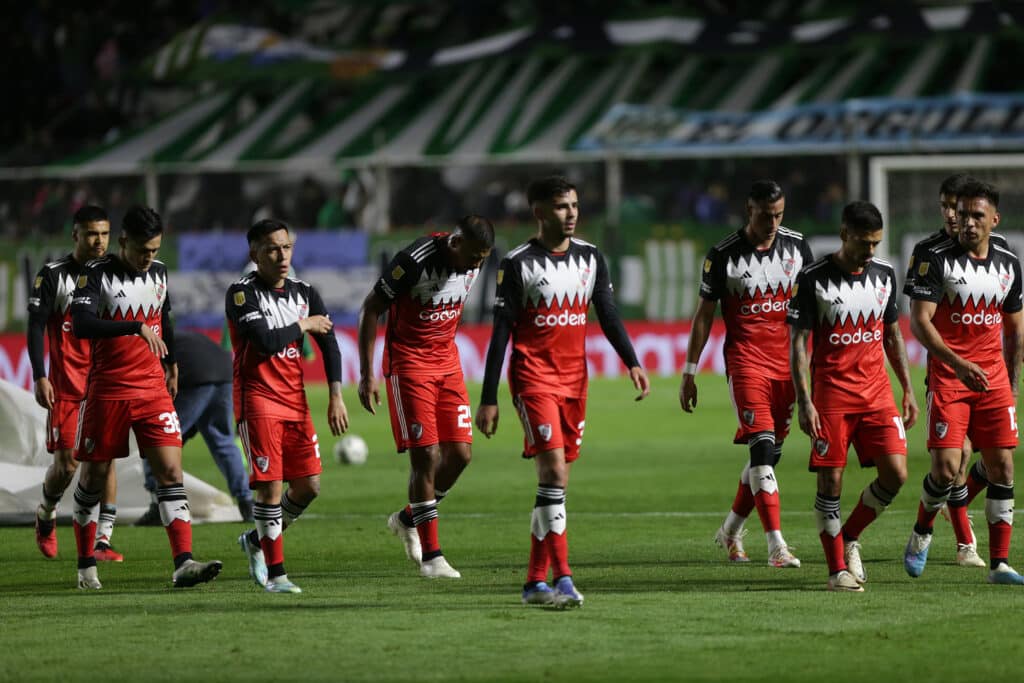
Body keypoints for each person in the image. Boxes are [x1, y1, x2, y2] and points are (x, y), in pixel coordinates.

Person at [475, 175, 651, 607]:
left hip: (575, 381)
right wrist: (489, 397)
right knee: (553, 471)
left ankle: (534, 583)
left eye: (573, 205)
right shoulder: (517, 263)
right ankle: (564, 578)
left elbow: (608, 313)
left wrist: (631, 361)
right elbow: (501, 333)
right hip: (533, 378)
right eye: (560, 206)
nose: (570, 213)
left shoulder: (591, 257)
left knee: (555, 481)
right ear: (539, 212)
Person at [70, 205, 222, 590]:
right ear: (123, 241)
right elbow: (82, 324)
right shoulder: (95, 273)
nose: (148, 257)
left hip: (152, 388)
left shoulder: (159, 272)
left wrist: (171, 362)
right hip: (108, 390)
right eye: (142, 250)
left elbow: (164, 316)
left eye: (154, 249)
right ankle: (86, 566)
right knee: (93, 478)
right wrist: (134, 326)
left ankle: (183, 563)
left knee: (170, 472)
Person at [788, 201, 918, 592]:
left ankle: (849, 536)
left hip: (877, 393)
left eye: (876, 243)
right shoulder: (812, 278)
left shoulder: (884, 274)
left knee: (896, 474)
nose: (870, 251)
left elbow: (892, 335)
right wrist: (805, 401)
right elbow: (798, 344)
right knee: (830, 481)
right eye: (864, 242)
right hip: (832, 396)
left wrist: (908, 388)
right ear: (845, 234)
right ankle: (836, 571)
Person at [680, 180, 811, 568]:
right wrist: (690, 371)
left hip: (789, 366)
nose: (773, 223)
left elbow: (811, 308)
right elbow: (704, 315)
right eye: (765, 215)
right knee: (762, 451)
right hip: (746, 362)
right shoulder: (723, 254)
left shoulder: (797, 247)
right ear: (748, 211)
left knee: (769, 456)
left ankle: (731, 531)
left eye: (779, 215)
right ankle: (777, 547)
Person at [357, 215, 495, 579]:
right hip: (409, 363)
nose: (476, 265)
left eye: (482, 259)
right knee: (426, 456)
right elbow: (371, 309)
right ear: (455, 244)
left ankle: (407, 519)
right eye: (473, 257)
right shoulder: (413, 260)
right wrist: (367, 374)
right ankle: (432, 557)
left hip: (448, 362)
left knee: (461, 455)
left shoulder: (473, 262)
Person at [904, 179, 1024, 585]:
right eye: (962, 213)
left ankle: (999, 563)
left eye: (976, 215)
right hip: (950, 377)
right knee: (946, 469)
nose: (967, 222)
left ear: (994, 219)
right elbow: (920, 322)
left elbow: (1015, 330)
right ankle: (922, 531)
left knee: (1002, 466)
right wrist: (957, 364)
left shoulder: (1008, 262)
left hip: (993, 380)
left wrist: (1013, 386)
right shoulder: (934, 256)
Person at [228, 219, 349, 594]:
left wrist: (336, 394)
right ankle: (277, 575)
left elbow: (329, 344)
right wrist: (304, 324)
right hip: (257, 399)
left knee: (309, 486)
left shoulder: (305, 292)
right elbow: (264, 341)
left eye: (286, 248)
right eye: (272, 249)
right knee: (269, 488)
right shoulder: (241, 293)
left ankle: (255, 540)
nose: (282, 256)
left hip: (295, 402)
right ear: (255, 254)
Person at [27, 205, 123, 562]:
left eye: (104, 234)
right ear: (75, 235)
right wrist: (40, 375)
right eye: (91, 234)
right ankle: (47, 511)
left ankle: (103, 541)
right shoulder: (54, 275)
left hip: (105, 382)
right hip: (67, 386)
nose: (99, 241)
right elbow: (36, 325)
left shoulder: (114, 273)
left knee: (105, 459)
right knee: (67, 465)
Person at [136, 330, 255, 525]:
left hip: (195, 377)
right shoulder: (179, 338)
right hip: (224, 373)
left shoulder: (145, 346)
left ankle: (158, 504)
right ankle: (246, 502)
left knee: (157, 440)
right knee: (223, 442)